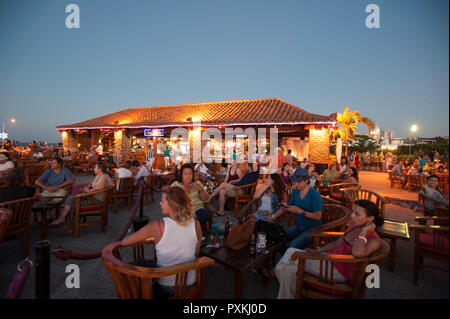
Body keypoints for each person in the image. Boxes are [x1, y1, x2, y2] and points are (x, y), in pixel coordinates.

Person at [275, 199, 384, 298]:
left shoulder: (374, 240)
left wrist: (364, 232)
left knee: (291, 252)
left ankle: (275, 271)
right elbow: (337, 243)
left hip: (337, 272)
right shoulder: (354, 226)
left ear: (370, 219)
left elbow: (357, 253)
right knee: (288, 269)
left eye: (357, 214)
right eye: (352, 212)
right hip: (328, 261)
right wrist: (317, 250)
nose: (351, 216)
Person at [120, 186, 202, 298]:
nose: (160, 203)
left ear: (172, 205)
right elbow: (195, 254)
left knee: (137, 269)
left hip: (166, 287)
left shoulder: (159, 225)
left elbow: (125, 242)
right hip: (190, 283)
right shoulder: (196, 225)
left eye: (162, 201)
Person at [49, 161, 113, 227]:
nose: (93, 169)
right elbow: (91, 184)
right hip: (93, 198)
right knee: (71, 198)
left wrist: (88, 191)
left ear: (100, 169)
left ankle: (68, 223)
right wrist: (88, 187)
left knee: (71, 200)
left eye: (95, 167)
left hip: (97, 201)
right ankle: (65, 220)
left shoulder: (104, 177)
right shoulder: (99, 175)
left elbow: (99, 188)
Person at [275, 168, 323, 249]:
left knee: (292, 245)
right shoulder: (296, 192)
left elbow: (318, 216)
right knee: (280, 237)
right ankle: (285, 259)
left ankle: (291, 259)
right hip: (299, 225)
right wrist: (285, 207)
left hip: (312, 230)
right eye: (295, 182)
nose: (296, 185)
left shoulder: (315, 195)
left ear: (307, 181)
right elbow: (291, 207)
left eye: (299, 182)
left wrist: (300, 211)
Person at [170, 164, 211, 228]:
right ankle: (194, 231)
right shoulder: (175, 185)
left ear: (193, 175)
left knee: (203, 215)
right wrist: (184, 192)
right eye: (185, 174)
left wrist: (201, 189)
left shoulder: (198, 183)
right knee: (183, 218)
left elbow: (206, 199)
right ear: (181, 175)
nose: (188, 176)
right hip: (182, 211)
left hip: (198, 210)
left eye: (190, 174)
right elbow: (171, 201)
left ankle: (192, 230)